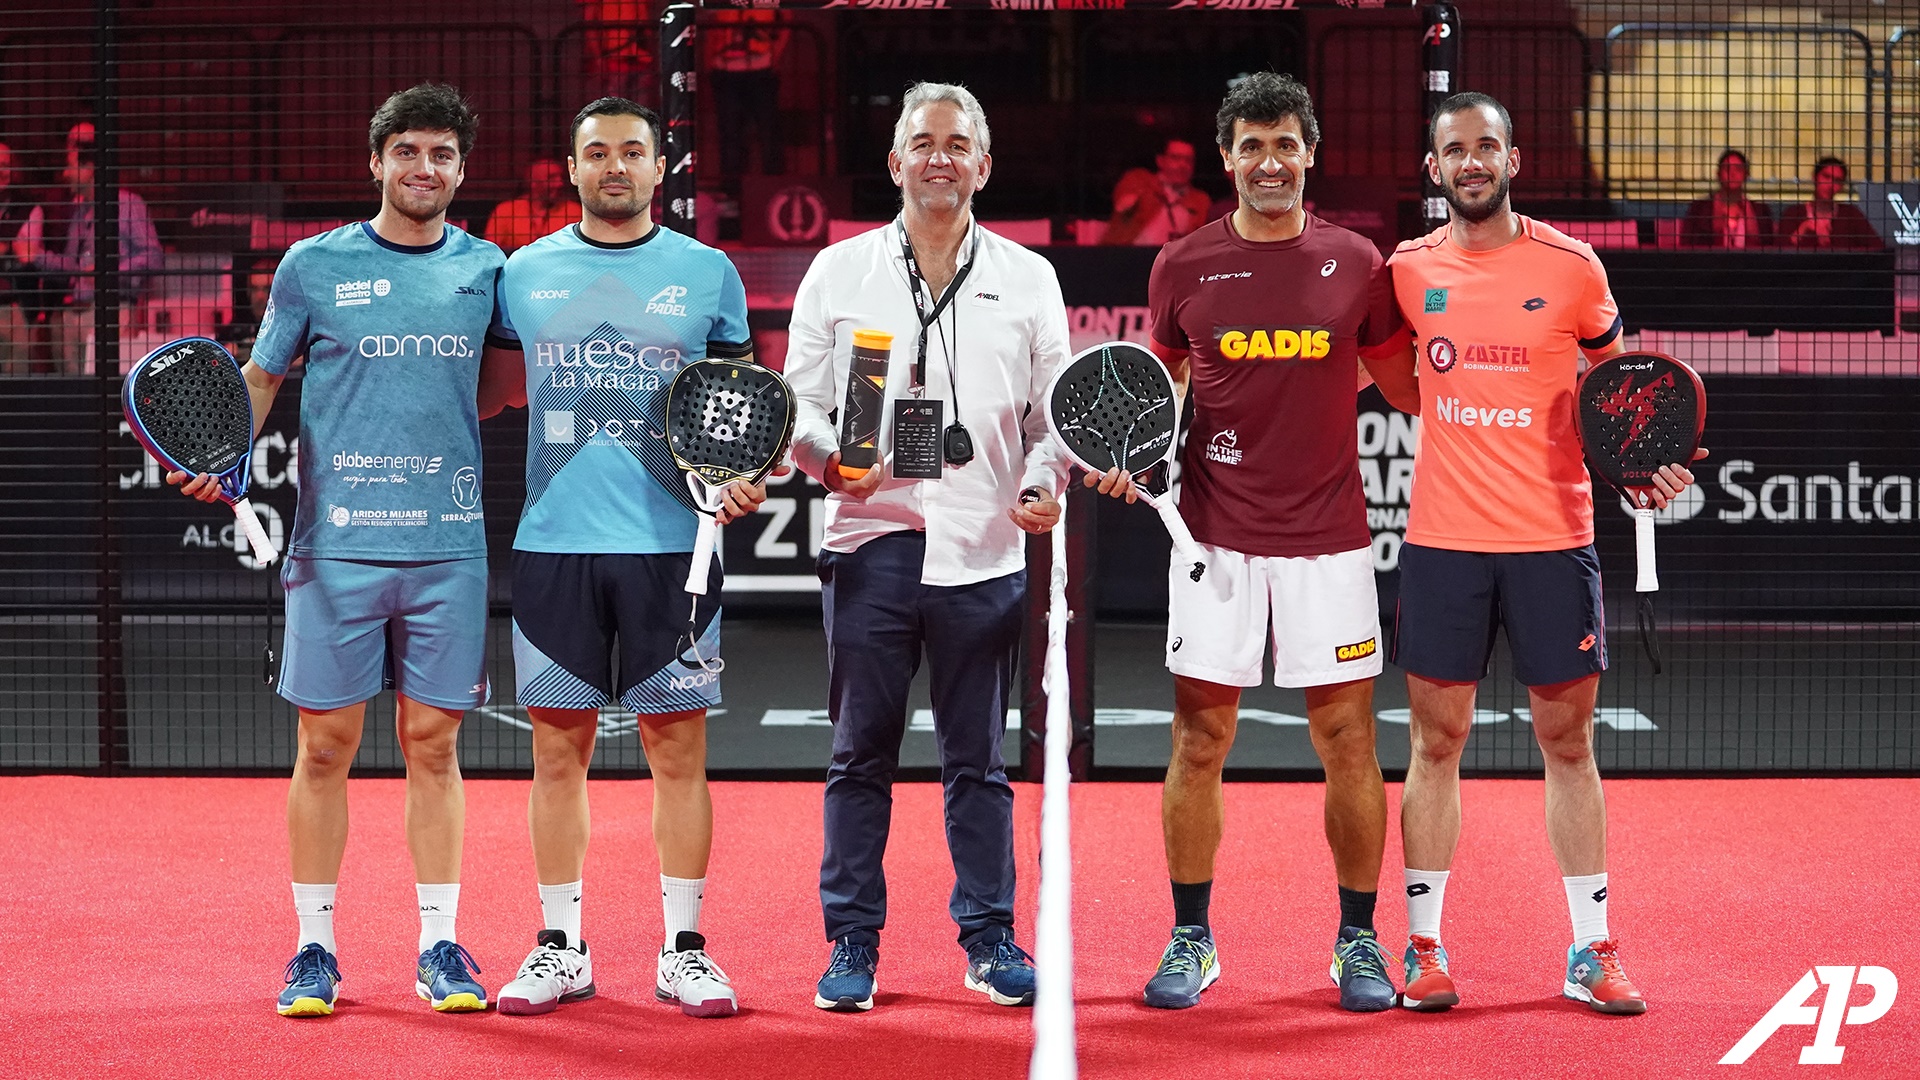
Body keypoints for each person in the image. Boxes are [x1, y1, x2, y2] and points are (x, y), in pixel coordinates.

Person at [168, 84, 516, 1019]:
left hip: (448, 545)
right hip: (336, 548)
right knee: (324, 748)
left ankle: (440, 945)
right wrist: (214, 450)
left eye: (443, 154)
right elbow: (262, 375)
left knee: (433, 746)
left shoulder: (489, 269)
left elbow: (499, 392)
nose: (424, 169)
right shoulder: (313, 267)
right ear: (377, 161)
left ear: (460, 170)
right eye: (408, 151)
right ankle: (313, 950)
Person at [1085, 71, 1418, 1013]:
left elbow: (1405, 389)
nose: (1269, 162)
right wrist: (1128, 458)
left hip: (1331, 544)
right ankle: (1192, 937)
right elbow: (1164, 389)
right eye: (1251, 146)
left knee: (1348, 738)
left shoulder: (1358, 260)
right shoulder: (1183, 264)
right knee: (1201, 737)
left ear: (1310, 153)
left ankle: (1359, 941)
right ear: (1226, 157)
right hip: (1213, 541)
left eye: (1285, 144)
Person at [1381, 91, 1701, 1016]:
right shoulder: (1406, 270)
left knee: (1569, 744)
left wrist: (1645, 470)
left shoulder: (1572, 267)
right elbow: (1398, 381)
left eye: (1488, 147)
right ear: (1433, 169)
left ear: (1513, 160)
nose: (1471, 162)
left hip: (1554, 542)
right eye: (1454, 150)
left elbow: (1625, 392)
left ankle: (1590, 948)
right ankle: (1426, 946)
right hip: (1443, 541)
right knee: (1434, 743)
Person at [783, 81, 1069, 1013]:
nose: (938, 157)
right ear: (896, 160)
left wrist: (1042, 481)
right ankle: (851, 946)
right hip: (873, 543)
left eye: (957, 144)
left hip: (984, 550)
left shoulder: (1029, 277)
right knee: (858, 754)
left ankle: (989, 938)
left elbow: (1053, 414)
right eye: (922, 142)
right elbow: (803, 407)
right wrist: (832, 465)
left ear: (983, 166)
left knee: (978, 763)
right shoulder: (839, 271)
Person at [484, 96, 770, 1020]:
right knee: (557, 753)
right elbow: (486, 394)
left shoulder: (707, 272)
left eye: (632, 152)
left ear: (660, 168)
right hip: (554, 545)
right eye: (596, 152)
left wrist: (745, 478)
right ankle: (560, 947)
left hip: (671, 548)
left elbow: (743, 405)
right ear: (570, 170)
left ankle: (684, 950)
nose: (615, 166)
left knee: (676, 748)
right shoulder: (521, 275)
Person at [16, 136, 163, 373]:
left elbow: (153, 257)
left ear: (89, 167)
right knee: (77, 394)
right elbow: (75, 267)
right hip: (74, 313)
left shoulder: (127, 204)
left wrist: (106, 273)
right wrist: (37, 256)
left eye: (69, 166)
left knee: (107, 385)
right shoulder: (80, 211)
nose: (65, 174)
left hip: (110, 311)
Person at [708, 8, 787, 177]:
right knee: (731, 135)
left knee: (767, 133)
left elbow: (786, 18)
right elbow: (712, 20)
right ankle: (733, 189)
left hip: (760, 66)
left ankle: (773, 185)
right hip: (725, 66)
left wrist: (776, 53)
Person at [1103, 139, 1211, 247]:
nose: (1183, 165)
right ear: (1160, 161)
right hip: (1130, 256)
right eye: (1175, 158)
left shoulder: (1200, 200)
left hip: (1174, 259)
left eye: (1188, 160)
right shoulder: (1139, 180)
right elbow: (1122, 204)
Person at [1779, 156, 1881, 251]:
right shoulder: (1793, 213)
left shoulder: (1850, 214)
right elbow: (1777, 251)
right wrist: (1803, 229)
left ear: (1842, 186)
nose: (1830, 185)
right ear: (1814, 178)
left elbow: (1877, 248)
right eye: (1826, 177)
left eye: (1837, 180)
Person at [1682, 148, 1773, 249]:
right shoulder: (1699, 209)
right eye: (1727, 169)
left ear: (1746, 175)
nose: (1732, 174)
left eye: (1738, 169)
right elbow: (1687, 245)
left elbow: (1769, 246)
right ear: (1718, 174)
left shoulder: (1760, 211)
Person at [484, 160, 575, 255]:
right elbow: (490, 252)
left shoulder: (574, 212)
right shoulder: (505, 211)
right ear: (533, 182)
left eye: (560, 178)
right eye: (551, 178)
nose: (560, 183)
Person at [0, 141, 31, 372]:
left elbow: (27, 254)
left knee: (17, 371)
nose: (3, 171)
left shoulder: (27, 208)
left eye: (6, 165)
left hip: (11, 305)